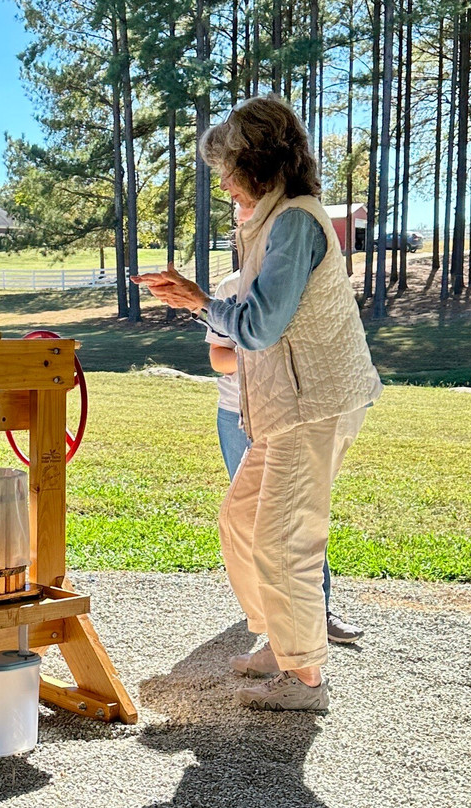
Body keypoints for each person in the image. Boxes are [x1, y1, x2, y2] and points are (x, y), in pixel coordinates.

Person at [135, 95, 382, 711]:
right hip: (286, 406)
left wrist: (198, 301)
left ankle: (305, 679)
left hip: (313, 403)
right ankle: (282, 642)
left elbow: (261, 327)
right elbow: (252, 326)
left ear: (260, 163)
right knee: (242, 521)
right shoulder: (271, 222)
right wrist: (198, 302)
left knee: (283, 539)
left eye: (227, 169)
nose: (223, 183)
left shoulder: (294, 222)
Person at [208, 215, 367, 647]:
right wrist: (264, 352)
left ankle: (318, 611)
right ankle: (273, 623)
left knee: (296, 517)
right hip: (238, 415)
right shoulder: (230, 288)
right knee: (249, 521)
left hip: (293, 414)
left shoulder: (305, 282)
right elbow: (219, 358)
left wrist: (269, 349)